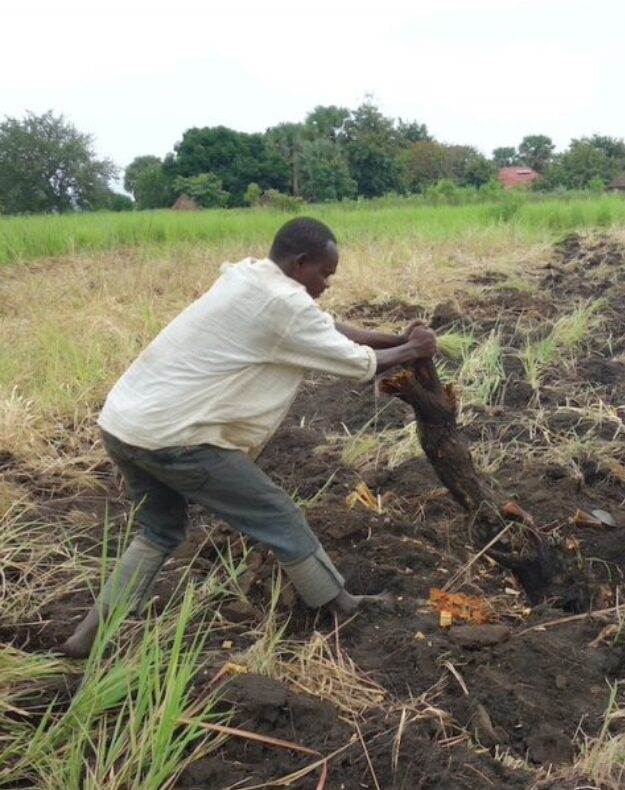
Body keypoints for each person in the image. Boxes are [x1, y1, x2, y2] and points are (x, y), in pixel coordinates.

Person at [60, 217, 438, 658]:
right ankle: (342, 604)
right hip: (176, 438)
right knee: (278, 514)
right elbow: (359, 363)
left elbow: (327, 327)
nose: (328, 284)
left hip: (125, 424)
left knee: (160, 530)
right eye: (325, 273)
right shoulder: (284, 305)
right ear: (300, 264)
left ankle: (84, 638)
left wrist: (398, 338)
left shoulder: (250, 277)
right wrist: (413, 350)